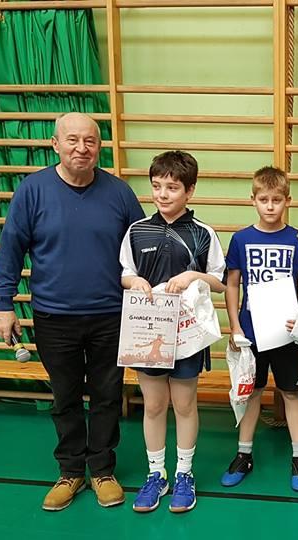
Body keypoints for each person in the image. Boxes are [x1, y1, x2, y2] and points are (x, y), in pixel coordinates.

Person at [0, 112, 145, 511]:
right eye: (72, 140)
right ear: (55, 144)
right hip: (53, 316)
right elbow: (11, 248)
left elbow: (143, 250)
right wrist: (3, 304)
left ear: (99, 147)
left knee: (108, 395)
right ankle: (71, 471)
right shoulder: (32, 190)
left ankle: (102, 470)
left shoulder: (120, 194)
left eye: (90, 141)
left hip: (110, 315)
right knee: (65, 397)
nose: (82, 148)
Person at [119, 150, 225, 513]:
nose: (163, 194)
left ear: (189, 190)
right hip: (147, 331)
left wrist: (193, 275)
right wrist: (134, 282)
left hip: (187, 336)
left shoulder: (203, 233)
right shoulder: (136, 230)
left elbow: (220, 281)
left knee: (183, 404)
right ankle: (156, 475)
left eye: (172, 187)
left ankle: (183, 473)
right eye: (157, 186)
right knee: (153, 405)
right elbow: (125, 273)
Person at [220, 166, 298, 492]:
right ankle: (243, 454)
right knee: (252, 392)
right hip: (251, 332)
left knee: (291, 393)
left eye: (277, 200)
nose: (270, 206)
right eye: (264, 199)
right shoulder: (241, 239)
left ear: (288, 200)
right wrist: (234, 326)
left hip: (287, 333)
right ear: (253, 200)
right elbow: (232, 284)